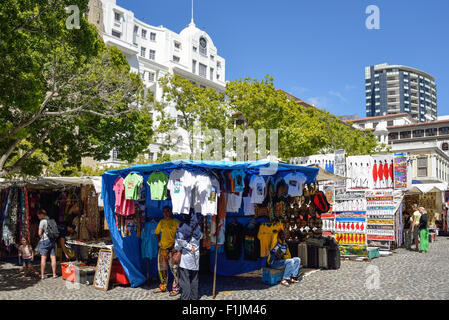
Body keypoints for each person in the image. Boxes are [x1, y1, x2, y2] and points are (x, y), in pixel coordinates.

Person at [174, 211, 202, 300]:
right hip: (195, 257)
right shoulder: (197, 228)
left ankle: (185, 298)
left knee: (184, 279)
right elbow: (200, 237)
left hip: (186, 257)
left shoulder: (183, 227)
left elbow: (179, 241)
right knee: (194, 278)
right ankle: (194, 298)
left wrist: (187, 247)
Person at [154, 206, 180, 296]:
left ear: (171, 212)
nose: (166, 213)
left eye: (168, 211)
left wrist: (175, 245)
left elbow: (180, 236)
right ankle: (163, 286)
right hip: (162, 250)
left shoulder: (176, 222)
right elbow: (156, 233)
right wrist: (159, 242)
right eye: (164, 211)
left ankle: (176, 288)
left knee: (175, 270)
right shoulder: (161, 222)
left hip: (172, 250)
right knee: (162, 269)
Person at [37, 209, 57, 279]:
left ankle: (42, 275)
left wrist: (41, 238)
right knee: (53, 257)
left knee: (43, 257)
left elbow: (39, 233)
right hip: (52, 240)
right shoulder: (51, 220)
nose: (38, 217)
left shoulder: (42, 221)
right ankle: (54, 274)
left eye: (38, 215)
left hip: (45, 240)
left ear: (41, 214)